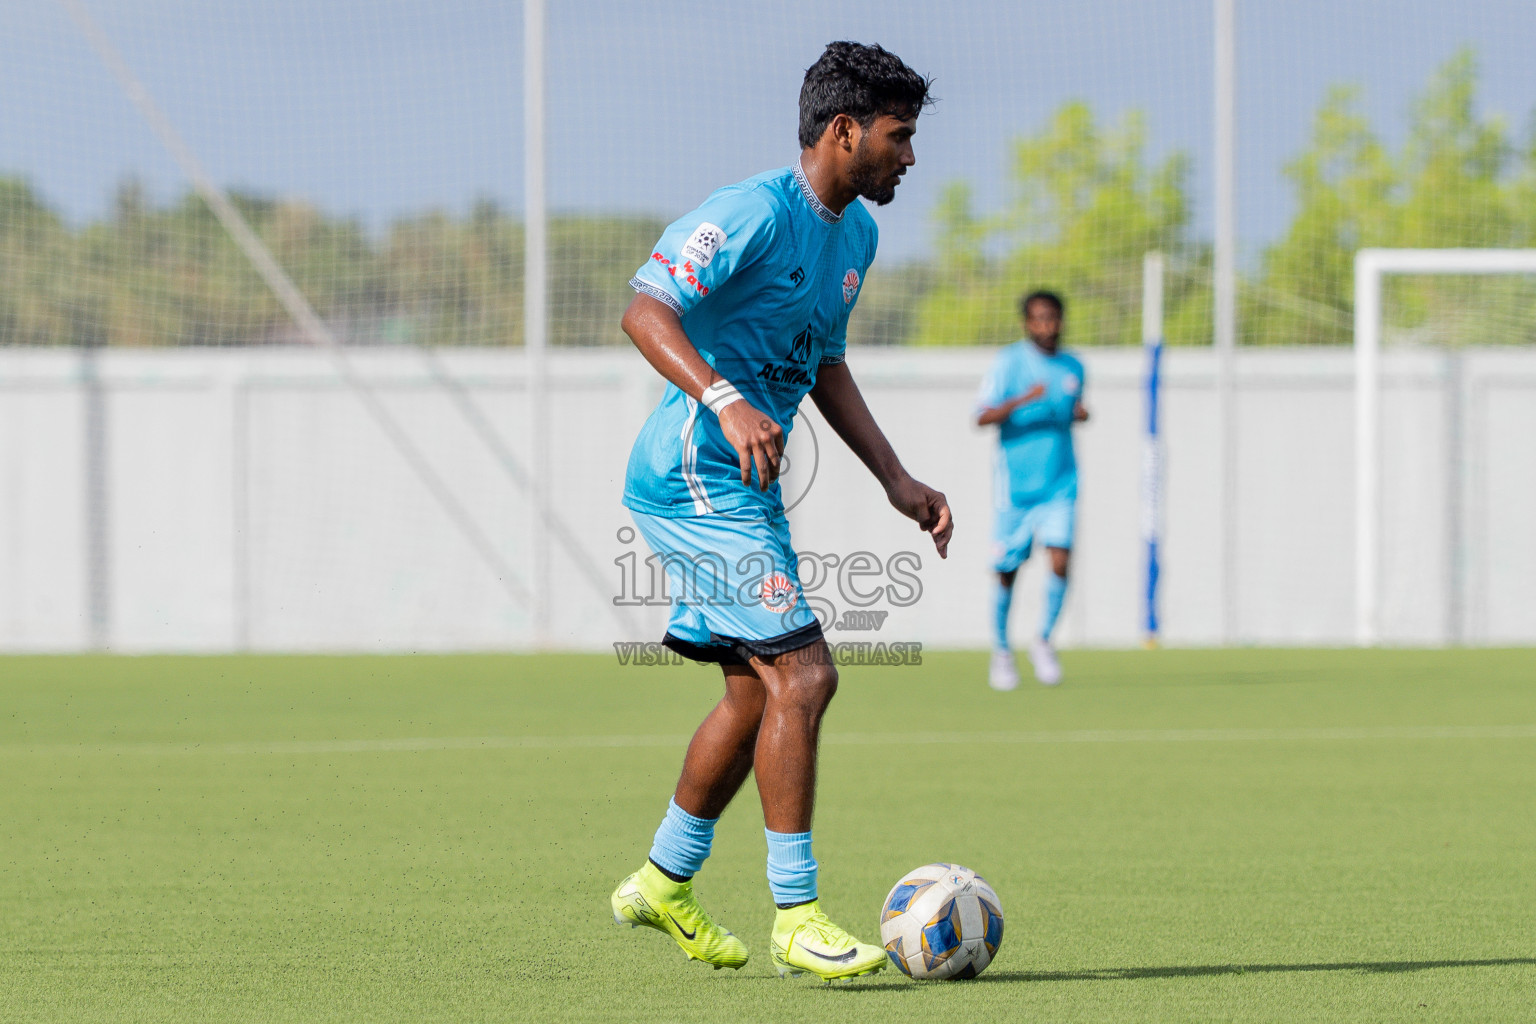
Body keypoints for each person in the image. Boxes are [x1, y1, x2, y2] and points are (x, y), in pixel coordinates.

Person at [609, 42, 951, 982]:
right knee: (805, 676)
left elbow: (824, 360)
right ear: (845, 132)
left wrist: (894, 476)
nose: (910, 157)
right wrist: (723, 398)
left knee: (757, 688)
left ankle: (662, 881)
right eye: (899, 136)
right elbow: (645, 309)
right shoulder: (754, 211)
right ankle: (796, 917)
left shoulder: (857, 237)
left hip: (743, 486)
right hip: (693, 472)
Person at [974, 290, 1088, 690]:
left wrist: (1078, 413)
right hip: (1017, 490)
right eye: (1038, 318)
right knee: (1007, 571)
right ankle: (1002, 652)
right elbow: (982, 416)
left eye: (1053, 317)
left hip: (1061, 482)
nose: (1047, 326)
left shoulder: (1074, 366)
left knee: (1060, 559)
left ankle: (1042, 640)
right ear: (1027, 322)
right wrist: (1024, 399)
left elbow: (1073, 407)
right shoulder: (1009, 363)